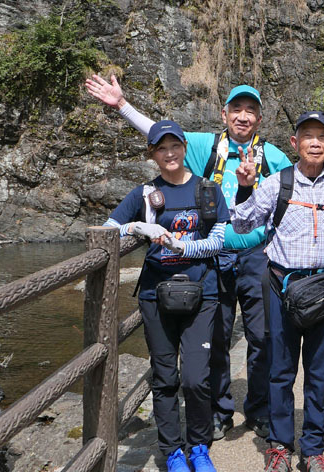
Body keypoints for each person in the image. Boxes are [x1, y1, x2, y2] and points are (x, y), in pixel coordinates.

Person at [85, 75, 293, 440]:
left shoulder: (274, 157)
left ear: (260, 119)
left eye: (251, 111)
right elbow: (160, 137)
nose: (243, 116)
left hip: (257, 256)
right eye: (237, 109)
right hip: (212, 257)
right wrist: (121, 105)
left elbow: (295, 196)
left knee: (261, 336)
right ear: (224, 114)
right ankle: (220, 410)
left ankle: (258, 408)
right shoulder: (204, 146)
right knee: (217, 336)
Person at [231, 111, 324, 472]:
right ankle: (279, 448)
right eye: (307, 136)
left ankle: (313, 448)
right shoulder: (277, 183)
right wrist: (245, 188)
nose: (315, 142)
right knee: (280, 372)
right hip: (280, 288)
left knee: (320, 373)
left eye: (322, 136)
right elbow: (241, 223)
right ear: (295, 143)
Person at [103, 120, 227, 472]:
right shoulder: (144, 194)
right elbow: (106, 229)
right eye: (161, 148)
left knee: (196, 377)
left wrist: (179, 245)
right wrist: (138, 228)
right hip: (156, 295)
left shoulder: (208, 190)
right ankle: (173, 452)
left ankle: (199, 447)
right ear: (153, 154)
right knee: (165, 377)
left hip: (202, 293)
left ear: (185, 148)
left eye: (175, 146)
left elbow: (218, 242)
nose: (169, 153)